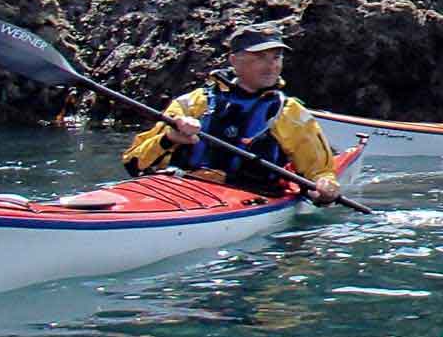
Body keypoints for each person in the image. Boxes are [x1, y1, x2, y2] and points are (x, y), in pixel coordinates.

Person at [122, 25, 344, 204]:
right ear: (234, 61)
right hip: (180, 190)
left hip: (249, 195)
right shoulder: (191, 104)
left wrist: (325, 188)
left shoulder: (290, 113)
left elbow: (320, 173)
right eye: (260, 57)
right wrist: (169, 138)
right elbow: (133, 163)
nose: (271, 66)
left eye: (276, 58)